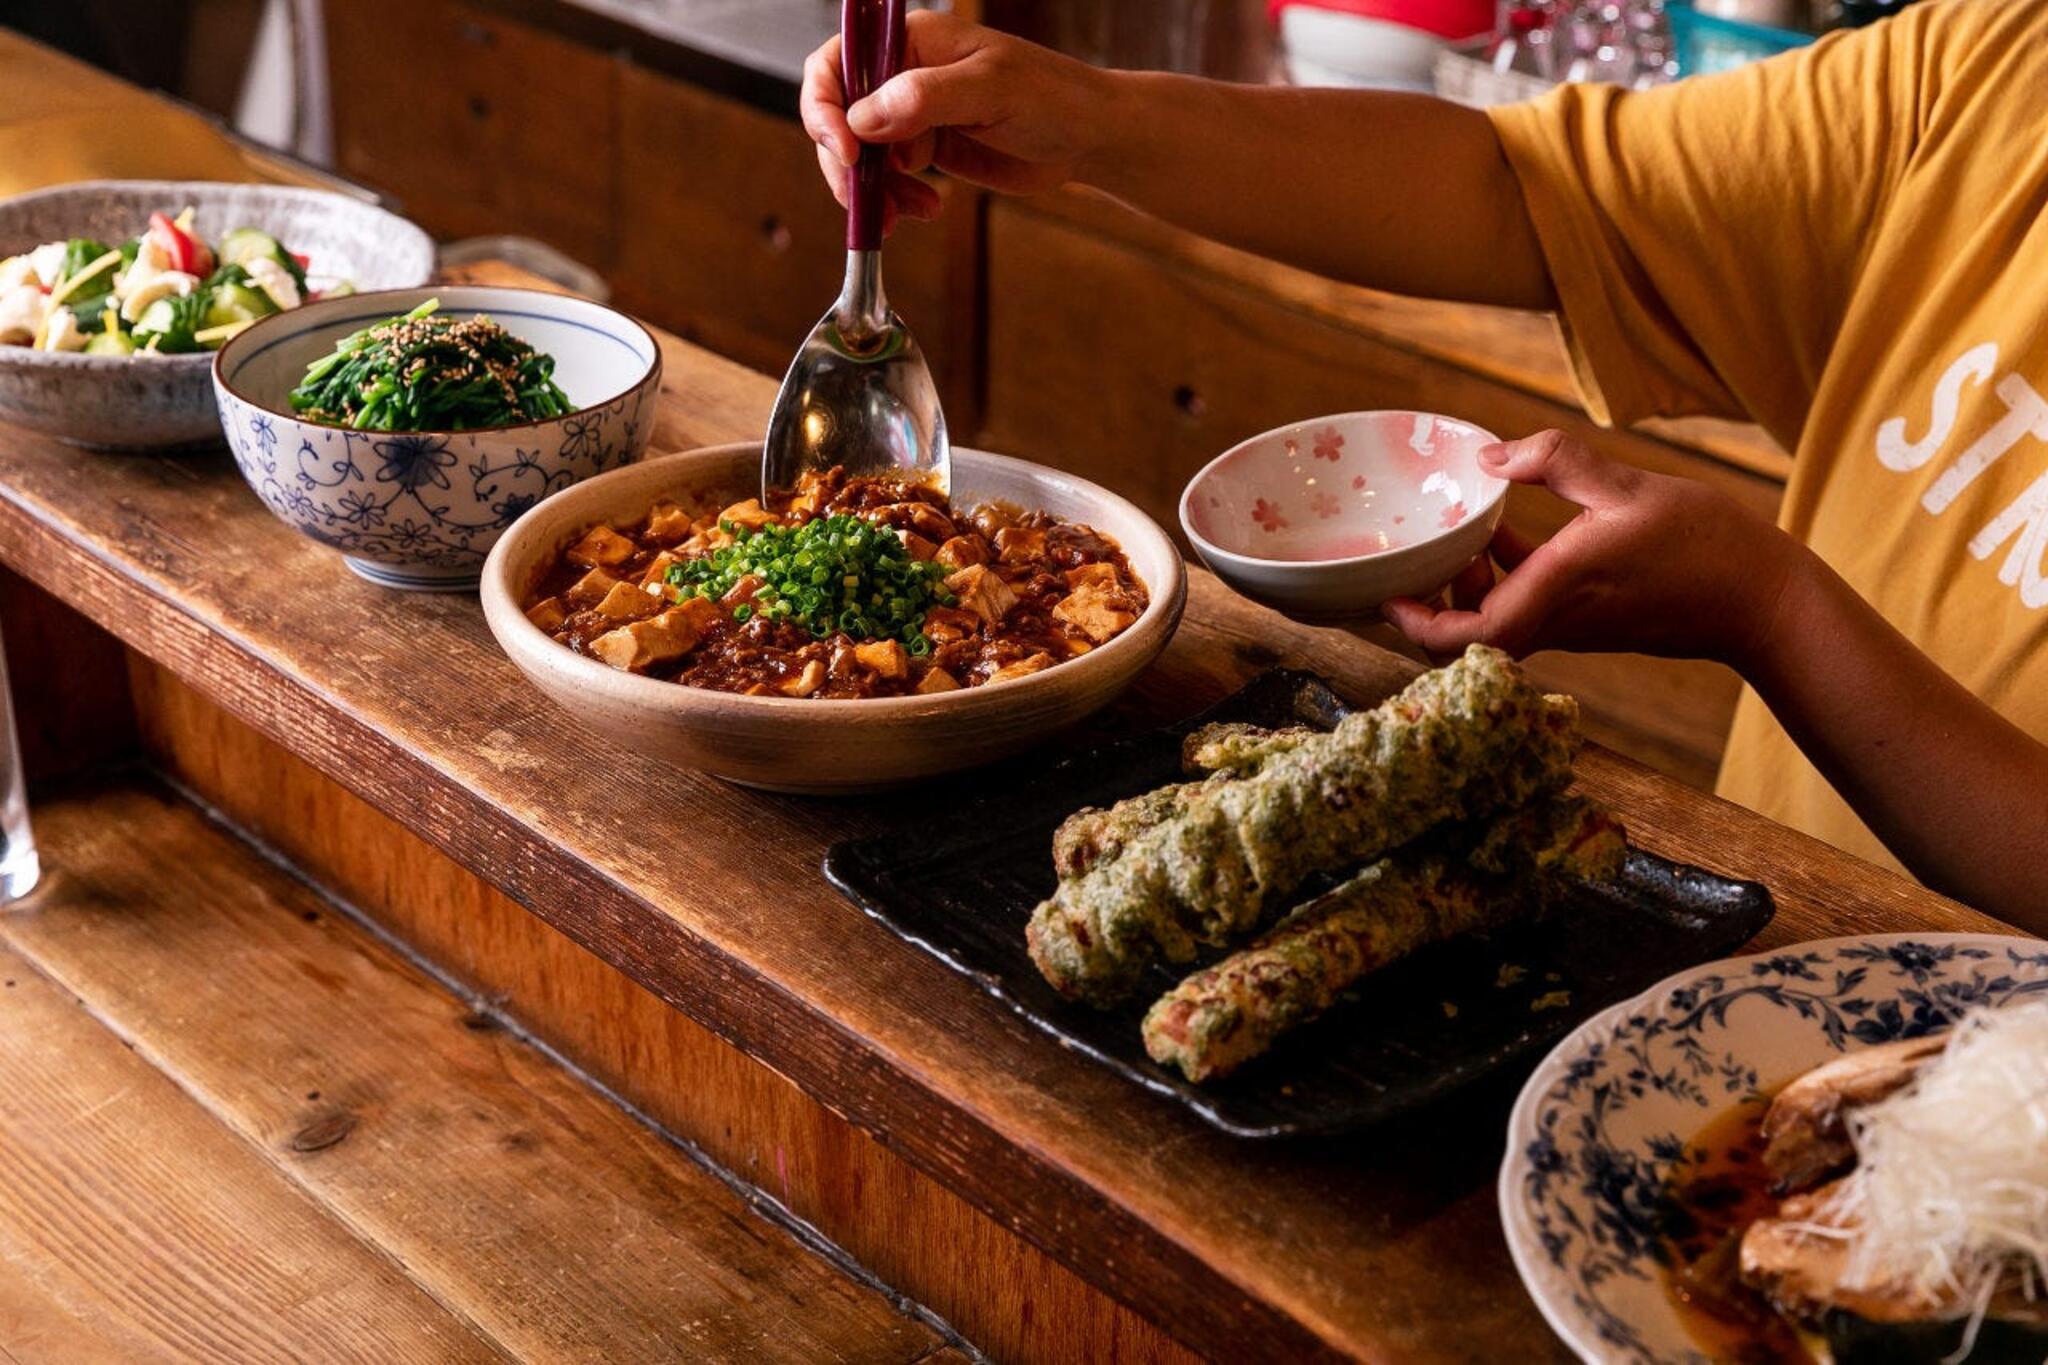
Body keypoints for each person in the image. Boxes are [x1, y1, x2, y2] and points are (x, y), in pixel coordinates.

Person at [798, 0, 2048, 924]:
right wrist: (1092, 122)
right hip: (1784, 952)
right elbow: (1518, 191)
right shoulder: (1996, 74)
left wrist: (1767, 609)